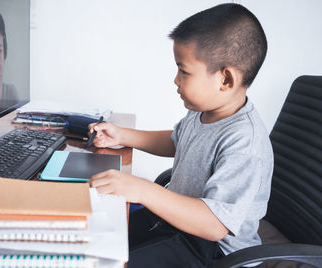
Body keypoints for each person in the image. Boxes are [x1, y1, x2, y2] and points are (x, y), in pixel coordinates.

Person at [88, 3, 273, 268]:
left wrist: (144, 190)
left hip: (214, 250)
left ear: (226, 80)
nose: (176, 80)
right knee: (100, 232)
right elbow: (176, 141)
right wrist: (122, 135)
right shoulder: (203, 112)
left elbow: (215, 226)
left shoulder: (245, 143)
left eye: (184, 71)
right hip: (176, 223)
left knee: (110, 262)